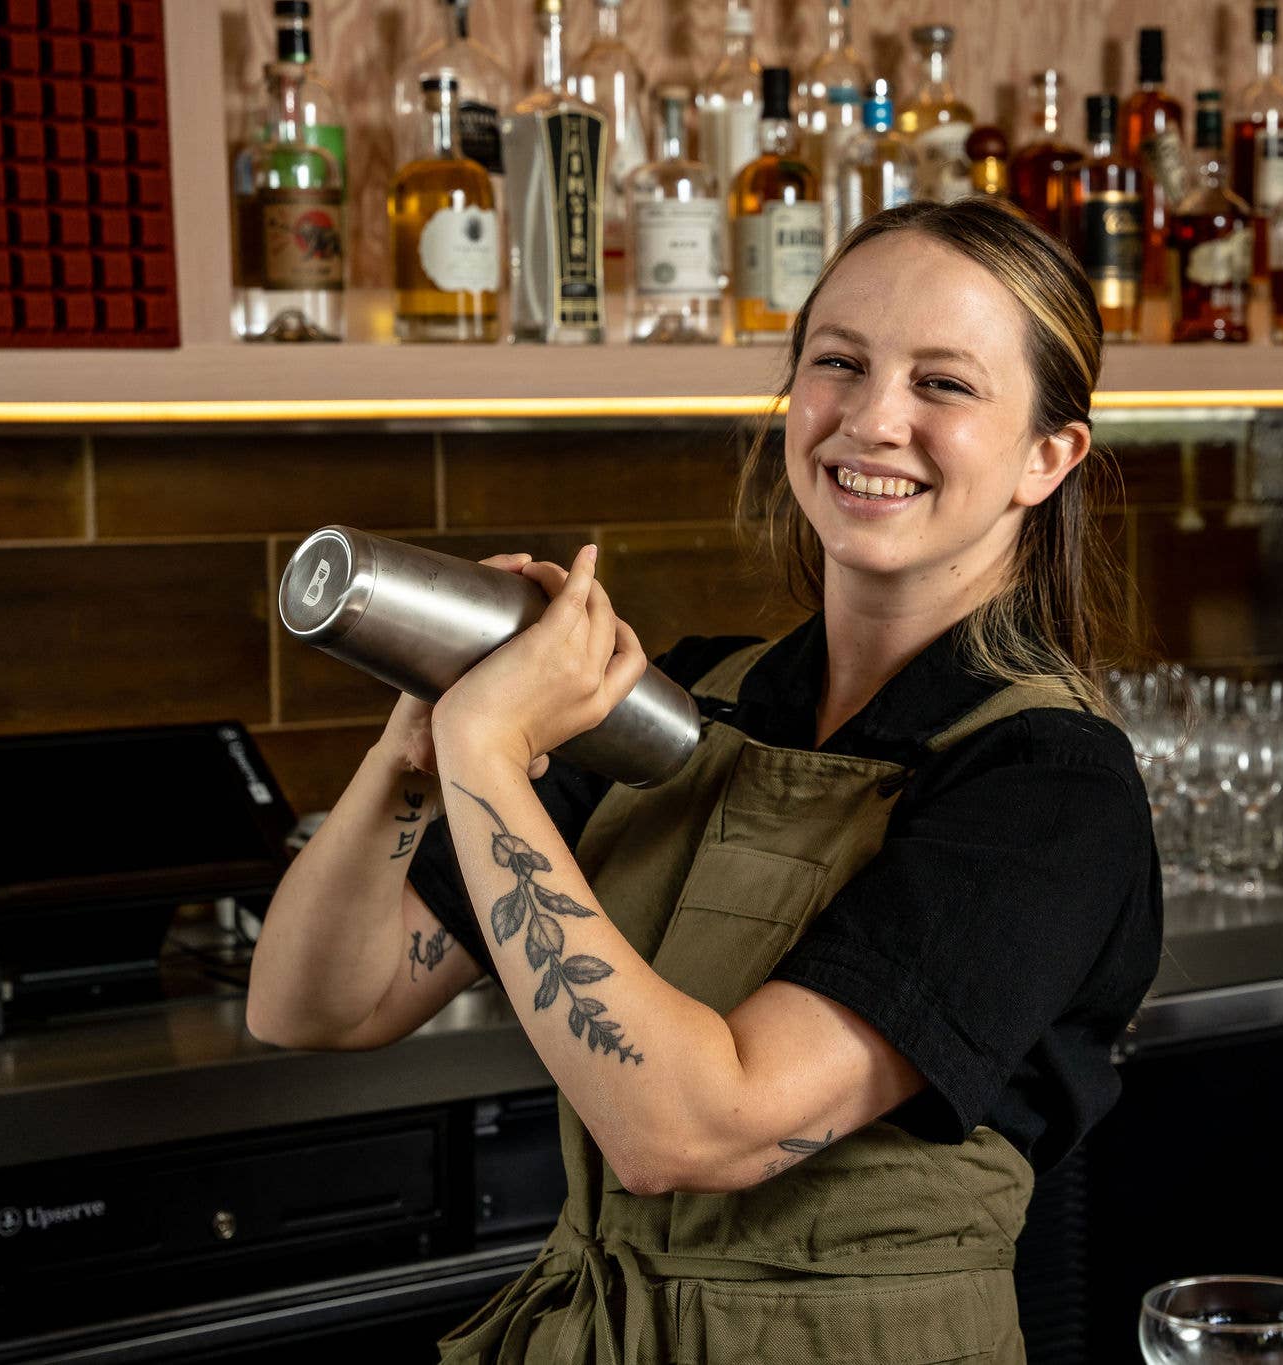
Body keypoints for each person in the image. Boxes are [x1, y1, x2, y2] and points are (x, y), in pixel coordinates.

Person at [245, 197, 1162, 1363]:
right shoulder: (683, 702)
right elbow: (315, 1005)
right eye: (838, 363)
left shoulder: (1047, 787)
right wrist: (419, 748)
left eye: (945, 384)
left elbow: (696, 1132)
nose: (873, 420)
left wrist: (491, 754)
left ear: (1048, 456)